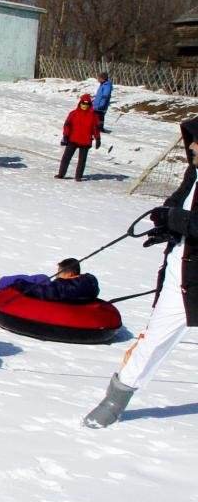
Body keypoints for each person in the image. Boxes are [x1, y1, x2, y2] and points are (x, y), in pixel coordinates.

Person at [84, 117, 198, 428]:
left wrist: (176, 220)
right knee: (154, 342)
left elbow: (187, 218)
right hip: (182, 278)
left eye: (197, 140)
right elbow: (175, 205)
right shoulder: (194, 173)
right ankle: (114, 401)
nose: (192, 145)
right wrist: (165, 224)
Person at [0, 258, 100, 301]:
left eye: (59, 274)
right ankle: (1, 281)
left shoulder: (65, 287)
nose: (56, 277)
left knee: (39, 280)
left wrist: (20, 284)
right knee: (43, 278)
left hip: (56, 302)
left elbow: (44, 291)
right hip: (67, 296)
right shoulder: (87, 282)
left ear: (69, 274)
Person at [56, 93, 101, 182]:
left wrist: (98, 139)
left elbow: (96, 128)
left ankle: (78, 176)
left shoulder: (93, 116)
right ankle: (61, 174)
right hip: (73, 139)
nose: (84, 106)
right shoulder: (73, 114)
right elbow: (67, 125)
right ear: (80, 103)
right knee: (66, 157)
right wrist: (65, 135)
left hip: (86, 141)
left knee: (82, 160)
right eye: (83, 104)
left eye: (87, 104)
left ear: (89, 105)